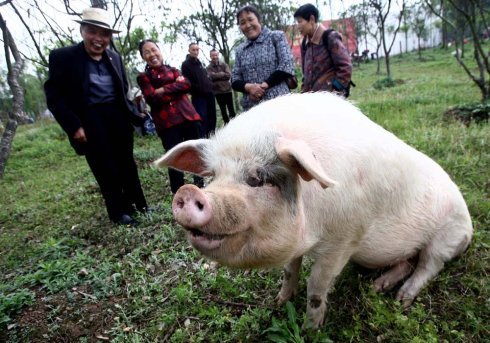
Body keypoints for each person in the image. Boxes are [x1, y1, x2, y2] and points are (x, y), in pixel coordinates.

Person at [44, 7, 148, 226]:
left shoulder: (115, 58)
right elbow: (54, 97)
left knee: (127, 163)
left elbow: (123, 91)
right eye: (93, 32)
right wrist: (74, 126)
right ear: (82, 31)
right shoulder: (63, 57)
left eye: (105, 34)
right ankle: (118, 212)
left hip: (117, 116)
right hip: (90, 118)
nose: (99, 39)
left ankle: (140, 205)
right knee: (105, 167)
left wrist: (137, 115)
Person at [137, 39, 204, 194]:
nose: (152, 54)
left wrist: (162, 90)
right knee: (173, 159)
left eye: (154, 49)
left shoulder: (173, 69)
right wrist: (175, 89)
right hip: (168, 123)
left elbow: (186, 85)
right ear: (143, 57)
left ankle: (202, 186)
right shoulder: (143, 77)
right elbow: (152, 98)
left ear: (160, 51)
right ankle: (179, 193)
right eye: (147, 52)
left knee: (197, 153)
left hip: (189, 117)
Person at [232, 5, 295, 111]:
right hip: (252, 109)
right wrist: (249, 88)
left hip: (279, 104)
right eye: (242, 23)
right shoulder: (240, 50)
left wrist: (263, 86)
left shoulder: (276, 37)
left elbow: (286, 65)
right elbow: (234, 79)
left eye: (250, 20)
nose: (247, 25)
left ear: (259, 20)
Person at [294, 3, 352, 95]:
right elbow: (305, 75)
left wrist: (335, 92)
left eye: (300, 21)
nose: (298, 26)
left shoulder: (330, 37)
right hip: (310, 100)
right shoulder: (305, 43)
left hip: (329, 101)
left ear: (312, 19)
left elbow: (345, 67)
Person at [181, 43, 217, 137]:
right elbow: (188, 82)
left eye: (197, 49)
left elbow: (205, 76)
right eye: (193, 50)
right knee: (202, 119)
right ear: (189, 50)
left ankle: (212, 136)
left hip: (209, 94)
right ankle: (203, 138)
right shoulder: (186, 65)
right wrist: (198, 89)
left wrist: (209, 84)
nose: (196, 52)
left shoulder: (200, 62)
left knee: (212, 117)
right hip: (199, 97)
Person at [206, 49, 236, 124]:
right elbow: (210, 77)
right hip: (218, 92)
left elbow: (228, 75)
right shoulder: (208, 68)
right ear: (210, 56)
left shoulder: (224, 64)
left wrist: (215, 75)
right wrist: (222, 74)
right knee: (223, 111)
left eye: (216, 55)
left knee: (231, 110)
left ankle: (235, 125)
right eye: (213, 55)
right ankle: (227, 126)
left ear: (218, 55)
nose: (215, 57)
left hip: (227, 90)